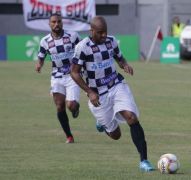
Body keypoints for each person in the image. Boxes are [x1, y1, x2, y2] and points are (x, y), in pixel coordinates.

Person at [71, 16, 154, 172]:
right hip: (97, 94)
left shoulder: (111, 41)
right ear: (92, 31)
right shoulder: (82, 47)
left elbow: (119, 57)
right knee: (116, 135)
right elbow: (74, 73)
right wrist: (89, 92)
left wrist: (125, 65)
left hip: (116, 85)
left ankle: (144, 161)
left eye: (105, 32)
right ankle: (103, 124)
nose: (104, 36)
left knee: (131, 117)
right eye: (100, 33)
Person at [35, 13, 81, 144]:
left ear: (62, 23)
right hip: (56, 76)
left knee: (71, 105)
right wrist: (39, 64)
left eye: (59, 22)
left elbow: (84, 50)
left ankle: (75, 109)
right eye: (54, 22)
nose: (56, 24)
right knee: (60, 106)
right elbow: (41, 56)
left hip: (73, 75)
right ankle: (69, 136)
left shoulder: (73, 36)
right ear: (49, 24)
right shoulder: (45, 41)